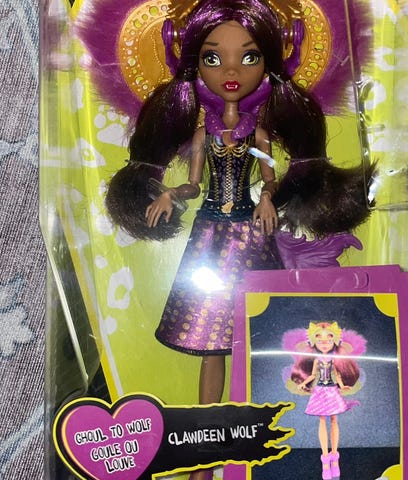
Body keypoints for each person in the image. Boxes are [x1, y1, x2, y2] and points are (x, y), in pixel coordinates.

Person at [85, 1, 373, 478]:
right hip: (210, 239)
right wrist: (170, 194)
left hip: (250, 234)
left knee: (254, 338)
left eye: (250, 56)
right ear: (193, 62)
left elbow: (270, 177)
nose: (232, 71)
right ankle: (206, 451)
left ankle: (260, 444)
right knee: (211, 342)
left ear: (270, 62)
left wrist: (268, 199)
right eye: (213, 58)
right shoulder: (203, 134)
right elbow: (194, 184)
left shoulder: (259, 132)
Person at [288, 322, 365, 479]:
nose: (324, 343)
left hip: (332, 390)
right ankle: (325, 459)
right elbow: (312, 375)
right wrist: (303, 383)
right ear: (314, 342)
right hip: (320, 391)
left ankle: (335, 457)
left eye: (329, 340)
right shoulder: (316, 360)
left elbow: (337, 375)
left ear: (335, 342)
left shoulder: (334, 360)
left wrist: (342, 385)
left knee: (334, 420)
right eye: (320, 340)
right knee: (322, 420)